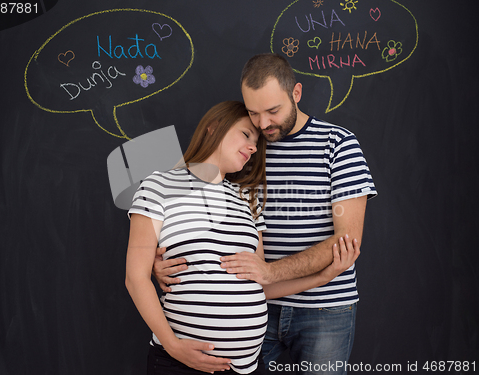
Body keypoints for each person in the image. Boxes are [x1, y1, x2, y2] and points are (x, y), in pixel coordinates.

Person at [154, 54, 377, 374]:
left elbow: (346, 240)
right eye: (253, 112)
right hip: (249, 308)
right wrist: (156, 257)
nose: (263, 124)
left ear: (296, 93)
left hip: (325, 309)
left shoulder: (338, 144)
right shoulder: (245, 143)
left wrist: (270, 273)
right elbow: (180, 189)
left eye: (273, 111)